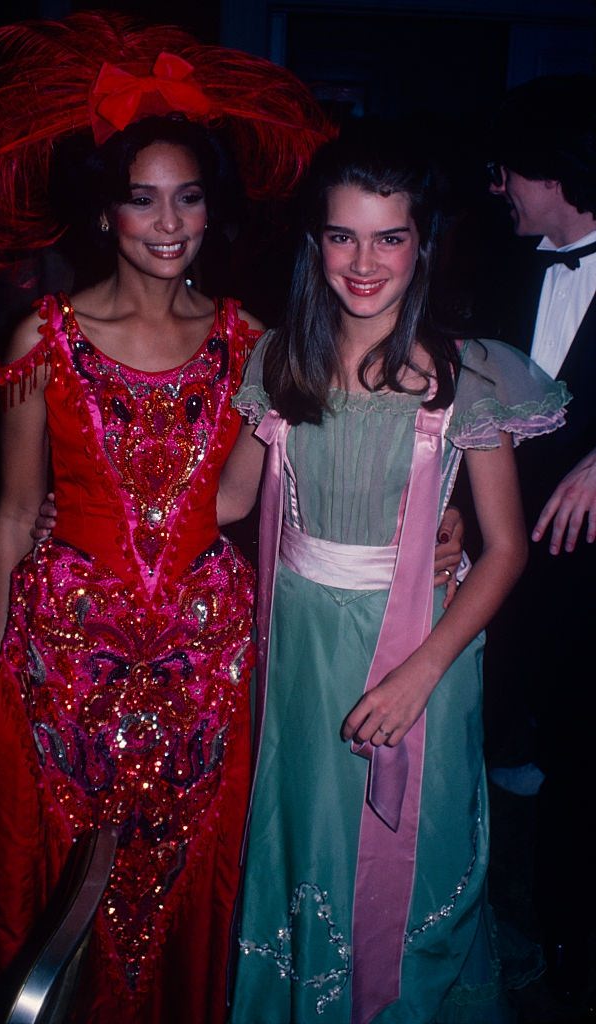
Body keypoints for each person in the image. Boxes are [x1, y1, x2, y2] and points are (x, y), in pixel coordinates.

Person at [0, 11, 335, 1023]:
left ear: (211, 211)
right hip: (66, 660)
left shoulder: (250, 336)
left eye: (188, 199)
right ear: (104, 215)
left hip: (209, 661)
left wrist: (445, 528)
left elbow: (295, 482)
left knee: (191, 889)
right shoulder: (46, 336)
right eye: (143, 202)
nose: (169, 224)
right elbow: (17, 509)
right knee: (63, 885)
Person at [216, 125, 570, 1024]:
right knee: (309, 837)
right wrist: (93, 502)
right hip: (301, 650)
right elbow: (224, 503)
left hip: (419, 651)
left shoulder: (464, 377)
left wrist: (418, 675)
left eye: (389, 236)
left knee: (411, 847)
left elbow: (507, 547)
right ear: (314, 244)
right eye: (342, 235)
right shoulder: (276, 361)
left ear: (423, 242)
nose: (363, 261)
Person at [475, 73, 596, 1008]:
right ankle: (500, 926)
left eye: (508, 171)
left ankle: (569, 951)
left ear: (552, 173)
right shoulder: (497, 265)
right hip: (506, 560)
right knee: (498, 746)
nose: (497, 188)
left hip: (592, 581)